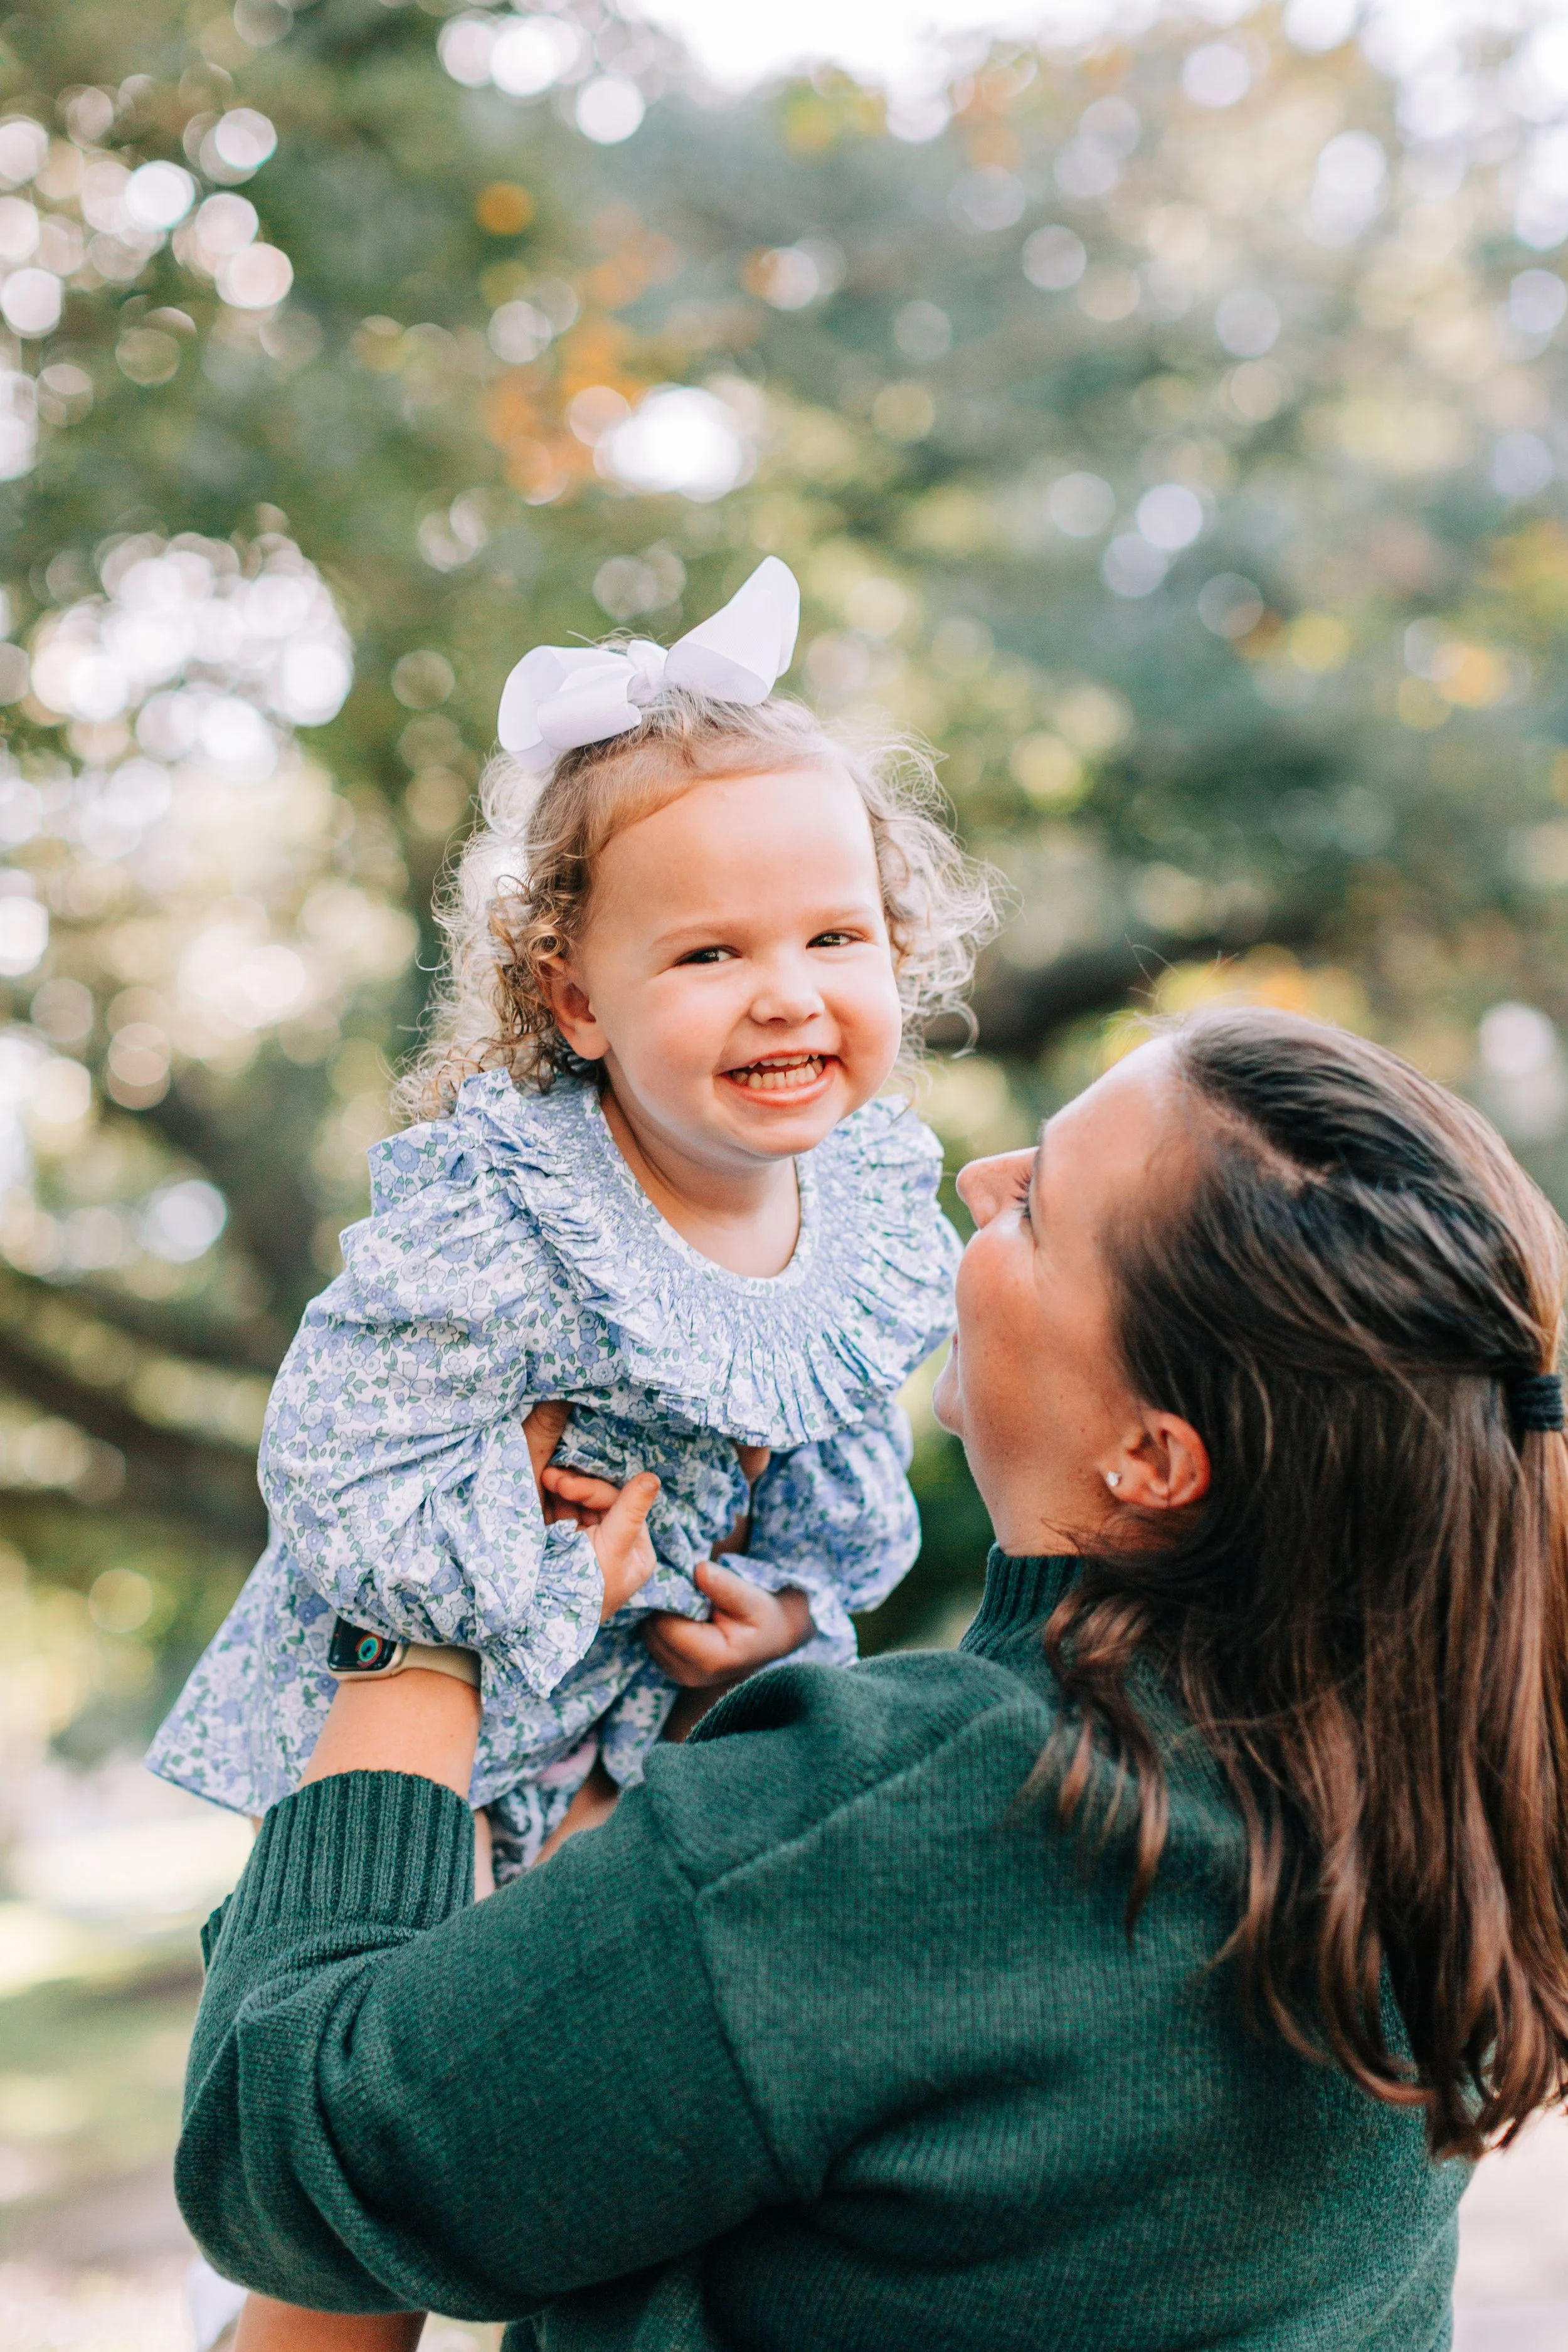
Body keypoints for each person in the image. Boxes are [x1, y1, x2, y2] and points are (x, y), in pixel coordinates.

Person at [177, 1008, 1568, 2350]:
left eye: (1038, 1209)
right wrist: (721, 1731)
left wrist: (422, 1614)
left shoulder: (919, 1821)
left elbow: (285, 2157)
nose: (976, 1178)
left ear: (1151, 1457)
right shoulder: (1429, 1798)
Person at [148, 556, 995, 1882]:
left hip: (648, 1746)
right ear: (578, 1002)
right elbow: (337, 1455)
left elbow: (833, 1497)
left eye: (835, 938)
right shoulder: (513, 1210)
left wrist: (777, 1620)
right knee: (418, 2032)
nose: (785, 994)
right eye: (710, 954)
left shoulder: (865, 1214)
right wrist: (539, 1585)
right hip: (438, 1735)